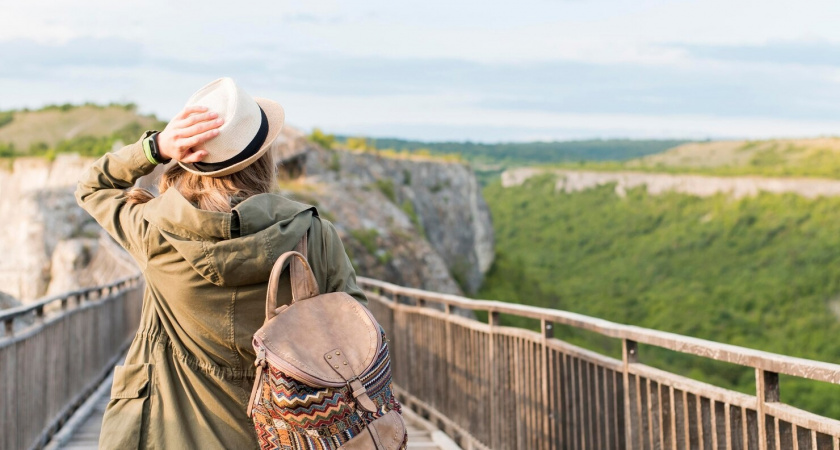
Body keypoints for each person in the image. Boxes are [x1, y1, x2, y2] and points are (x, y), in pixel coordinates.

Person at [75, 77, 366, 449]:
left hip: (171, 432)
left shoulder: (153, 229)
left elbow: (91, 187)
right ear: (263, 158)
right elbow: (357, 322)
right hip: (287, 430)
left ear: (190, 158)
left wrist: (156, 148)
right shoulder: (313, 234)